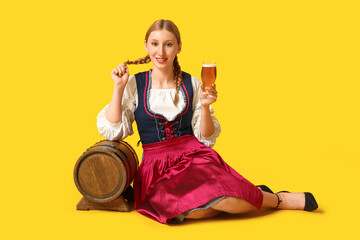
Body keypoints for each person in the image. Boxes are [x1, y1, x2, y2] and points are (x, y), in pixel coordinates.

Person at [96, 19, 318, 224]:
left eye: (168, 44)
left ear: (179, 47)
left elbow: (206, 137)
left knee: (230, 202)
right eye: (155, 44)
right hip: (157, 170)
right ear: (146, 45)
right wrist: (118, 88)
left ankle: (279, 199)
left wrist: (204, 106)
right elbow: (114, 130)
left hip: (194, 158)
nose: (160, 51)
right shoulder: (134, 83)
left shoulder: (191, 82)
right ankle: (251, 193)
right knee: (190, 211)